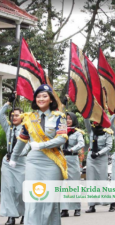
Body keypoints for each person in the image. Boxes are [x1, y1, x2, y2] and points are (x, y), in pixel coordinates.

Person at [9, 84, 68, 225]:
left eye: (44, 96)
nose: (41, 98)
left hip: (53, 163)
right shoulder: (28, 118)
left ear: (51, 99)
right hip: (34, 162)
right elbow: (22, 141)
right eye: (38, 96)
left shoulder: (60, 117)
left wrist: (40, 145)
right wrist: (14, 157)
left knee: (49, 200)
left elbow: (61, 138)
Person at [0, 93, 29, 225]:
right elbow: (1, 115)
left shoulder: (27, 129)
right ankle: (11, 216)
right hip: (7, 162)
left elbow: (27, 147)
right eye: (12, 115)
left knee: (20, 190)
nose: (13, 117)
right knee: (8, 189)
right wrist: (8, 103)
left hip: (21, 162)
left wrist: (16, 155)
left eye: (16, 115)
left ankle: (24, 214)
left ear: (22, 117)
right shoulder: (9, 128)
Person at [84, 118, 115, 213]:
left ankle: (111, 201)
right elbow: (86, 120)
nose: (96, 121)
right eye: (95, 118)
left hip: (101, 158)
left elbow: (109, 147)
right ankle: (92, 205)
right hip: (91, 158)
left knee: (102, 182)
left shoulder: (108, 132)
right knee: (90, 181)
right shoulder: (91, 130)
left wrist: (98, 153)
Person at [60, 111, 85, 217]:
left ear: (74, 120)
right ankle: (64, 209)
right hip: (61, 159)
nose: (68, 120)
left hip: (72, 159)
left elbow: (81, 143)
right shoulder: (60, 132)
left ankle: (76, 207)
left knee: (74, 184)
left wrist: (71, 150)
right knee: (63, 184)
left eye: (70, 118)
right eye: (66, 118)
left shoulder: (77, 133)